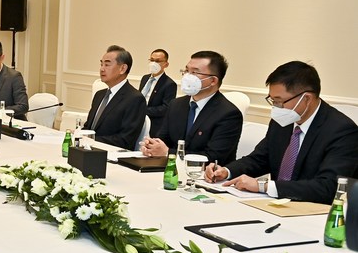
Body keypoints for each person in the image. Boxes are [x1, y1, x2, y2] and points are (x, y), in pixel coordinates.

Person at [205, 61, 358, 203]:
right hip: (275, 205)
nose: (276, 107)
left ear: (306, 99)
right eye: (272, 101)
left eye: (279, 101)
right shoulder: (283, 121)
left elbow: (328, 187)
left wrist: (264, 186)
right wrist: (226, 171)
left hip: (313, 210)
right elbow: (260, 159)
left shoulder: (342, 131)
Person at [141, 51, 242, 165]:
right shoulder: (176, 104)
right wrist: (151, 147)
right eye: (186, 71)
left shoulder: (229, 114)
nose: (187, 76)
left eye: (194, 72)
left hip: (205, 173)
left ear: (213, 81)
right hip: (168, 168)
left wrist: (168, 153)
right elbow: (163, 139)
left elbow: (213, 157)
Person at [81, 45, 146, 150]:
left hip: (111, 153)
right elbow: (88, 127)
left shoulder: (135, 99)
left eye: (107, 65)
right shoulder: (99, 95)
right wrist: (79, 135)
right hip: (88, 149)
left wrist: (91, 140)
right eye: (101, 64)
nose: (102, 69)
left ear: (122, 68)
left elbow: (125, 140)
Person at [138, 48, 177, 135]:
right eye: (152, 60)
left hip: (154, 124)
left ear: (166, 64)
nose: (153, 63)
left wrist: (142, 111)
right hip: (137, 120)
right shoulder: (145, 78)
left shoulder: (169, 84)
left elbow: (165, 108)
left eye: (158, 61)